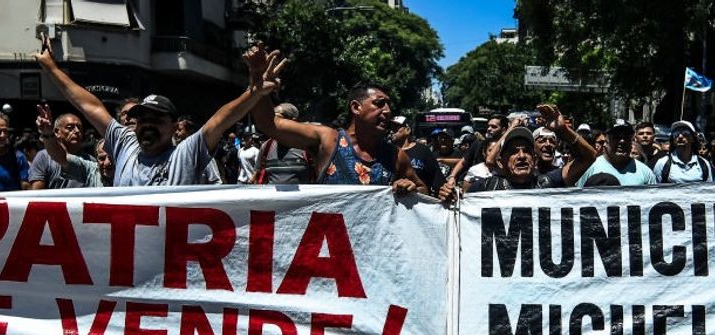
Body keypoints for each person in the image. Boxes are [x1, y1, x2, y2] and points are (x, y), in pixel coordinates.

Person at [35, 36, 273, 186]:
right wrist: (51, 69)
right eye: (141, 119)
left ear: (174, 126)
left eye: (156, 119)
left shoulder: (185, 155)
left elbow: (220, 120)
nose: (147, 124)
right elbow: (90, 105)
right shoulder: (125, 144)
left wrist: (253, 93)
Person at [246, 48, 425, 194]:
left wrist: (411, 189)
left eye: (389, 105)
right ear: (356, 108)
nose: (387, 110)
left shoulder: (395, 156)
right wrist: (258, 87)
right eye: (379, 104)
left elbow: (423, 189)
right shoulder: (328, 140)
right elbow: (268, 124)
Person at [468, 104, 598, 192]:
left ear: (535, 160)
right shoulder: (486, 187)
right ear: (501, 162)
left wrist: (564, 131)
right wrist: (448, 194)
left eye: (527, 151)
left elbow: (589, 157)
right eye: (514, 152)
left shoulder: (548, 183)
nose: (522, 156)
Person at [32, 112, 100, 188]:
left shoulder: (90, 161)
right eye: (70, 128)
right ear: (57, 132)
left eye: (80, 127)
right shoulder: (44, 157)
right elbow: (37, 193)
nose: (77, 131)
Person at [575, 123, 657, 187]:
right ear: (606, 142)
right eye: (616, 137)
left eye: (626, 137)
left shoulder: (646, 173)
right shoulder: (590, 168)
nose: (622, 141)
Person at [390, 116, 445, 193]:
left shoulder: (422, 150)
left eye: (396, 128)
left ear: (408, 130)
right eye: (391, 128)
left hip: (419, 200)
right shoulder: (388, 152)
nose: (392, 131)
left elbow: (437, 178)